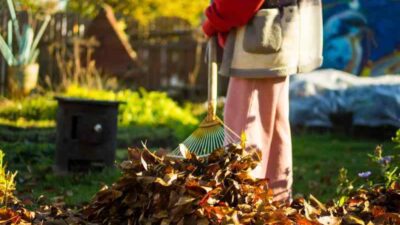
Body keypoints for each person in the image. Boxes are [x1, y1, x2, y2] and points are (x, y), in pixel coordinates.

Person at [202, 0, 323, 202]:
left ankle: (242, 205)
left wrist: (213, 20)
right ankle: (275, 204)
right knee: (273, 127)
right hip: (279, 36)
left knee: (244, 132)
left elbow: (238, 5)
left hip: (259, 41)